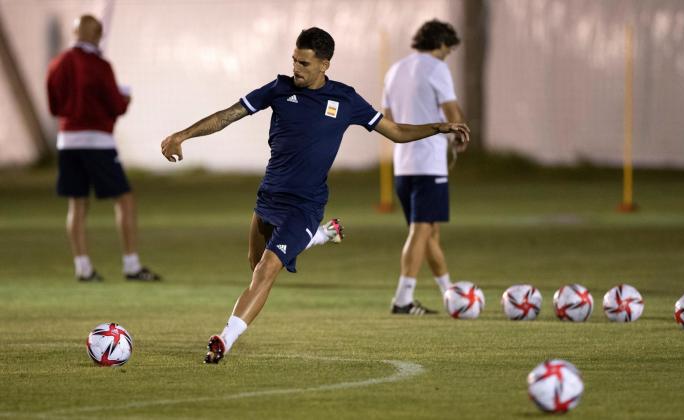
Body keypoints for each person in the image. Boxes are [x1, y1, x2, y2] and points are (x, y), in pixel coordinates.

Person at [161, 27, 469, 364]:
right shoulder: (278, 89)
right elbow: (227, 115)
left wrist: (437, 127)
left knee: (266, 270)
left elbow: (395, 131)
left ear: (324, 64)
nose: (296, 68)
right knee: (255, 263)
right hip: (269, 197)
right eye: (294, 60)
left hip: (305, 205)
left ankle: (224, 339)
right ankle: (320, 236)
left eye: (304, 63)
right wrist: (182, 135)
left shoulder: (346, 100)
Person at [46, 15, 160, 282]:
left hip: (68, 141)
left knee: (77, 204)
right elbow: (115, 105)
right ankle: (131, 265)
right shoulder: (100, 65)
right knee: (124, 200)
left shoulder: (57, 64)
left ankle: (83, 267)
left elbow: (53, 106)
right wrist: (125, 100)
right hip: (97, 141)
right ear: (97, 34)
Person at [382, 19, 466, 315]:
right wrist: (460, 136)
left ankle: (450, 294)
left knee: (428, 233)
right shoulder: (436, 68)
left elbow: (388, 118)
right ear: (441, 44)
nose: (448, 55)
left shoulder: (395, 70)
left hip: (403, 164)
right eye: (449, 49)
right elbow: (453, 114)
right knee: (421, 231)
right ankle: (402, 299)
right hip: (429, 163)